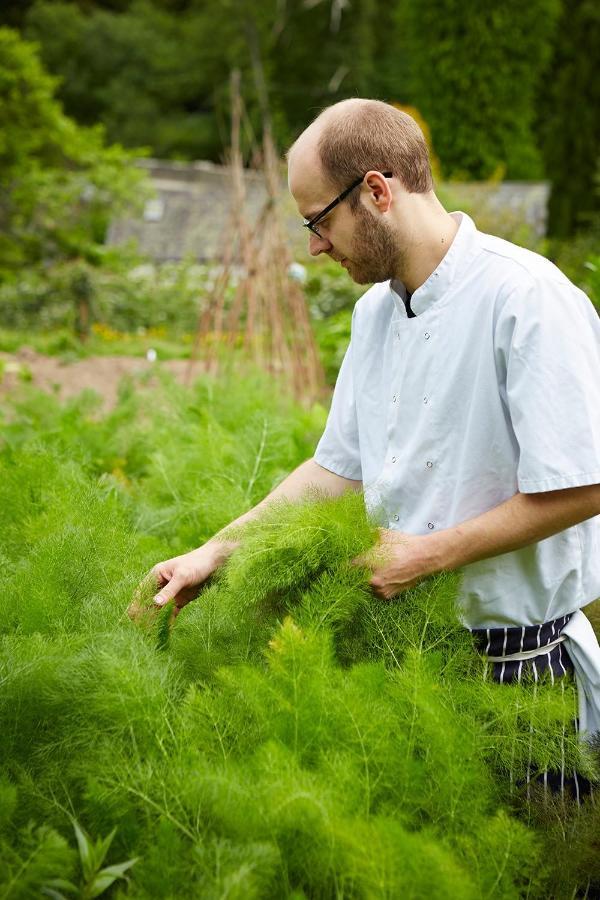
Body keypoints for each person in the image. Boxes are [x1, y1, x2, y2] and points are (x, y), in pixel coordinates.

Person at [144, 99, 600, 792]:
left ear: (378, 192)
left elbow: (585, 483)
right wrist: (219, 549)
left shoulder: (526, 298)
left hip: (516, 668)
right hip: (402, 656)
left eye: (318, 221)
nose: (315, 247)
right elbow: (339, 470)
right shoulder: (374, 312)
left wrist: (425, 555)